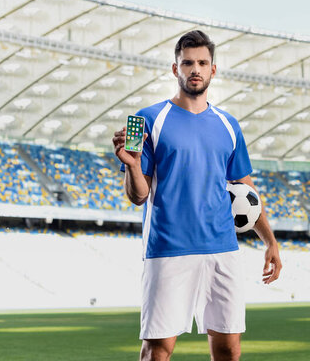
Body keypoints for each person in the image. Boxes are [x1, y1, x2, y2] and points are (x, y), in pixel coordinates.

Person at [112, 30, 282, 361]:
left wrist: (270, 241)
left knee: (229, 348)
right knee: (157, 350)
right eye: (187, 63)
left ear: (213, 70)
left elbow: (246, 192)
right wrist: (132, 167)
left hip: (223, 249)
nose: (195, 69)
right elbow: (138, 196)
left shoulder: (228, 124)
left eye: (202, 63)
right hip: (168, 249)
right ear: (175, 69)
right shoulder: (149, 120)